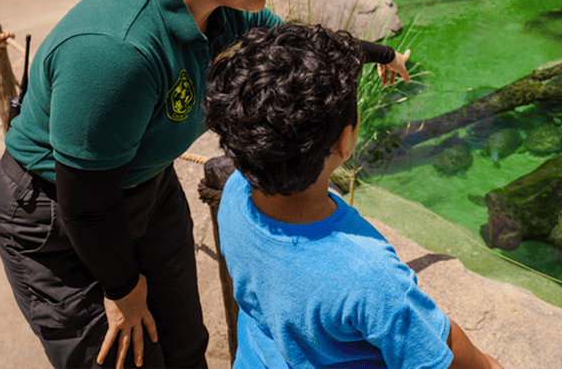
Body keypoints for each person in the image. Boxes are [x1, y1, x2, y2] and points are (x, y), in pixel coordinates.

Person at [0, 0, 412, 369]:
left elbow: (303, 47)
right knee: (122, 358)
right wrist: (122, 288)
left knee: (185, 344)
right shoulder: (117, 49)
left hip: (145, 186)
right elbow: (87, 201)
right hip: (57, 212)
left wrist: (382, 55)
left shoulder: (226, 7)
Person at [204, 23, 503, 369]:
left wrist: (383, 54)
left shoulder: (234, 194)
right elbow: (448, 358)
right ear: (344, 141)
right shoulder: (368, 274)